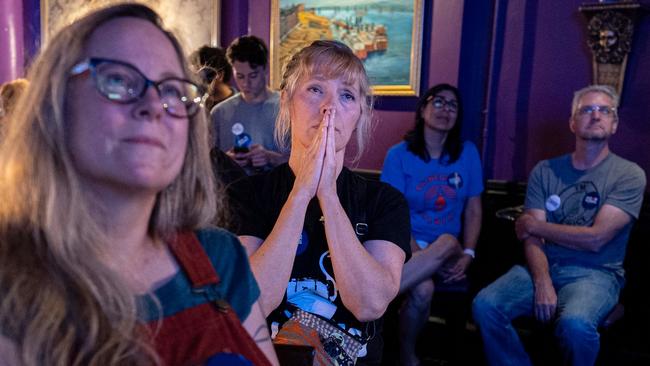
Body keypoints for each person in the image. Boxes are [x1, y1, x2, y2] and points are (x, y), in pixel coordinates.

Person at [0, 4, 278, 365]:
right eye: (117, 79)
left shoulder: (221, 257)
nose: (153, 104)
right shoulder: (13, 283)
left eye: (172, 91)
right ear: (57, 105)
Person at [238, 40, 411, 365]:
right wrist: (301, 193)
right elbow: (252, 301)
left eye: (347, 95)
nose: (330, 107)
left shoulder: (384, 201)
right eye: (316, 90)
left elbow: (370, 304)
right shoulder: (246, 195)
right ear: (287, 101)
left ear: (360, 113)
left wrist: (328, 196)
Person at [472, 85, 646, 366]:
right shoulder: (546, 170)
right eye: (586, 109)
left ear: (614, 124)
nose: (596, 115)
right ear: (572, 122)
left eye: (605, 110)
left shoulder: (628, 174)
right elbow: (530, 239)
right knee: (485, 305)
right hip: (542, 266)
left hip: (596, 274)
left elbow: (597, 239)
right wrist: (542, 282)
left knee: (575, 324)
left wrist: (534, 226)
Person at [381, 83, 483, 366]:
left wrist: (468, 254)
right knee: (423, 289)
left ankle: (372, 296)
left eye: (452, 105)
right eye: (438, 102)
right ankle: (407, 355)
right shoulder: (398, 155)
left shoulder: (467, 153)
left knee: (449, 241)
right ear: (423, 108)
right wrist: (416, 253)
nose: (445, 109)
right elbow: (394, 212)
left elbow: (474, 210)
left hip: (451, 252)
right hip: (406, 245)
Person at [211, 35, 287, 174]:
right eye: (240, 76)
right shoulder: (219, 113)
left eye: (253, 76)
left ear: (265, 69)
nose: (246, 83)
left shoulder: (286, 109)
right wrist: (226, 161)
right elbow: (206, 164)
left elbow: (304, 163)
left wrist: (270, 158)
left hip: (275, 192)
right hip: (233, 192)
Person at [189, 45, 234, 112]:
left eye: (202, 74)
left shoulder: (239, 106)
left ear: (219, 75)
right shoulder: (195, 103)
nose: (196, 80)